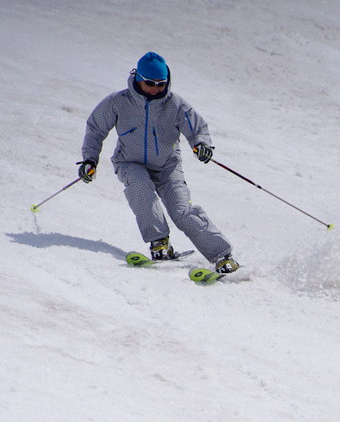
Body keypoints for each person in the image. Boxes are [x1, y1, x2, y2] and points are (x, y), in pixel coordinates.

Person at [77, 52, 239, 273]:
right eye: (150, 83)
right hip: (130, 162)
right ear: (138, 79)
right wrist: (89, 159)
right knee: (140, 189)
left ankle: (222, 255)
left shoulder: (175, 105)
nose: (155, 88)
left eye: (160, 84)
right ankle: (159, 242)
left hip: (167, 166)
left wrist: (202, 145)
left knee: (182, 211)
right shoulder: (118, 102)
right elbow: (95, 129)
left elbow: (197, 129)